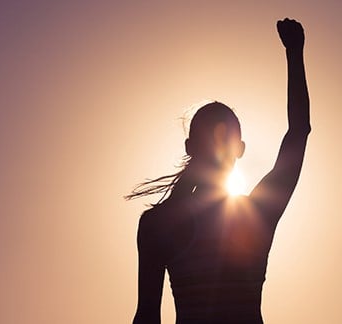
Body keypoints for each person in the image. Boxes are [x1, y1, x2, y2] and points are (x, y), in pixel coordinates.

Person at [127, 18, 311, 324]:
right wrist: (295, 54)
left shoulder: (159, 223)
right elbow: (299, 131)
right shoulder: (258, 212)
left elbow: (146, 316)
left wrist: (295, 54)